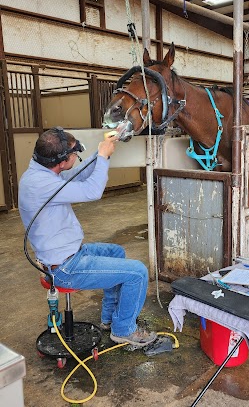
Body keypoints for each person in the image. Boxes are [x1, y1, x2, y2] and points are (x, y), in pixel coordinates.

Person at [18, 126, 157, 347]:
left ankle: (110, 318)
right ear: (61, 161)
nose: (76, 158)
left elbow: (77, 174)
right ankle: (123, 330)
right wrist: (102, 156)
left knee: (116, 252)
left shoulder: (41, 172)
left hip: (70, 255)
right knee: (138, 272)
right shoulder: (41, 185)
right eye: (75, 154)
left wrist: (104, 152)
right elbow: (92, 191)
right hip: (65, 268)